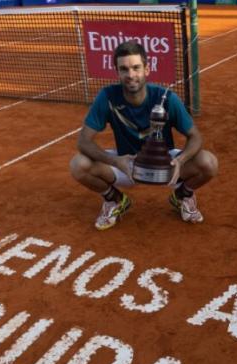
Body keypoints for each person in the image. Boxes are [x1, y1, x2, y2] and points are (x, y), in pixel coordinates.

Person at [70, 41, 218, 231]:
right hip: (128, 165)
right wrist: (116, 161)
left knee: (209, 162)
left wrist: (181, 160)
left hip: (165, 165)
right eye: (124, 69)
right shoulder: (107, 97)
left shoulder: (166, 98)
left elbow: (195, 136)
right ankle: (115, 200)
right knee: (78, 165)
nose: (131, 75)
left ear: (147, 69)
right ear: (117, 72)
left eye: (136, 68)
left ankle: (182, 195)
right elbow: (83, 141)